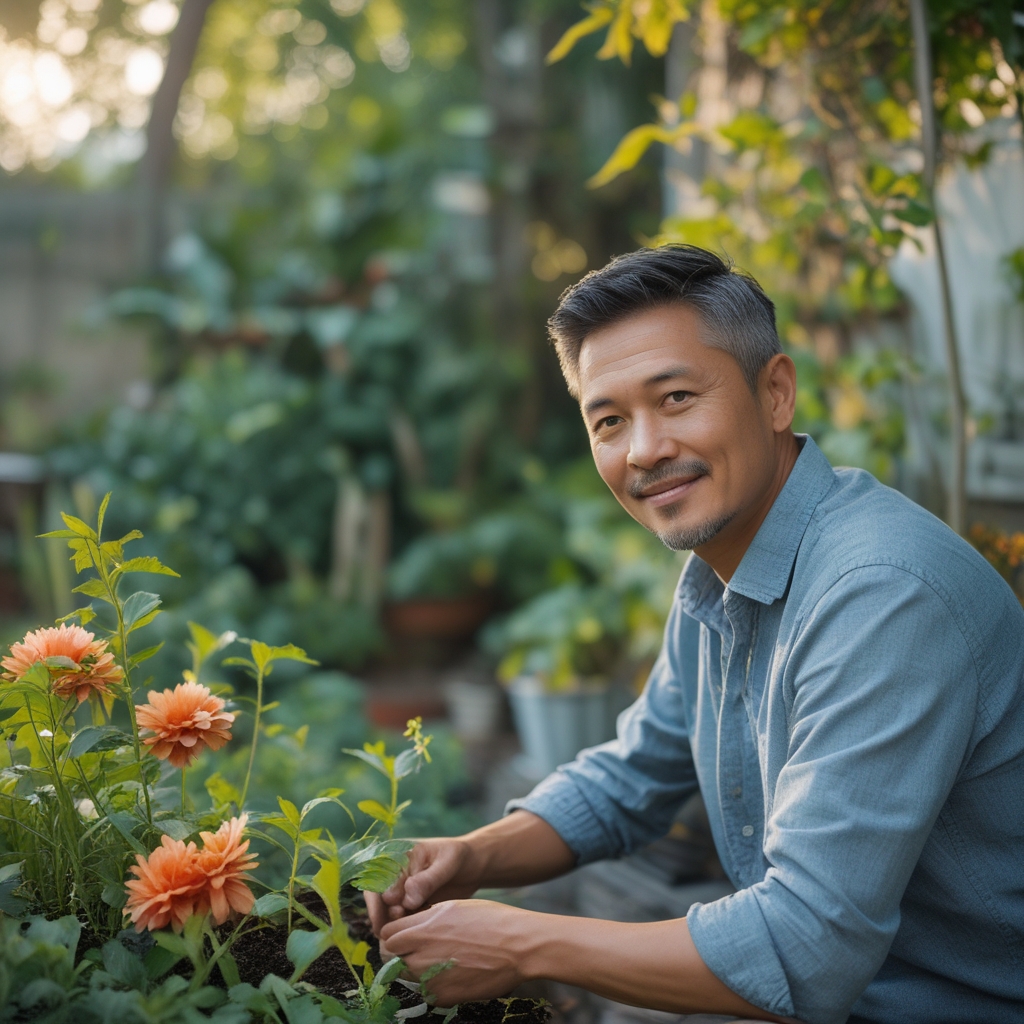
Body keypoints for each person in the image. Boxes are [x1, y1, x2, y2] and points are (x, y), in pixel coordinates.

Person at [366, 245, 1024, 1024]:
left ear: (775, 392)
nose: (643, 449)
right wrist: (476, 854)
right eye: (609, 420)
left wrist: (523, 945)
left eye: (676, 397)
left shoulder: (880, 595)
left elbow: (803, 950)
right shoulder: (723, 568)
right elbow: (632, 777)